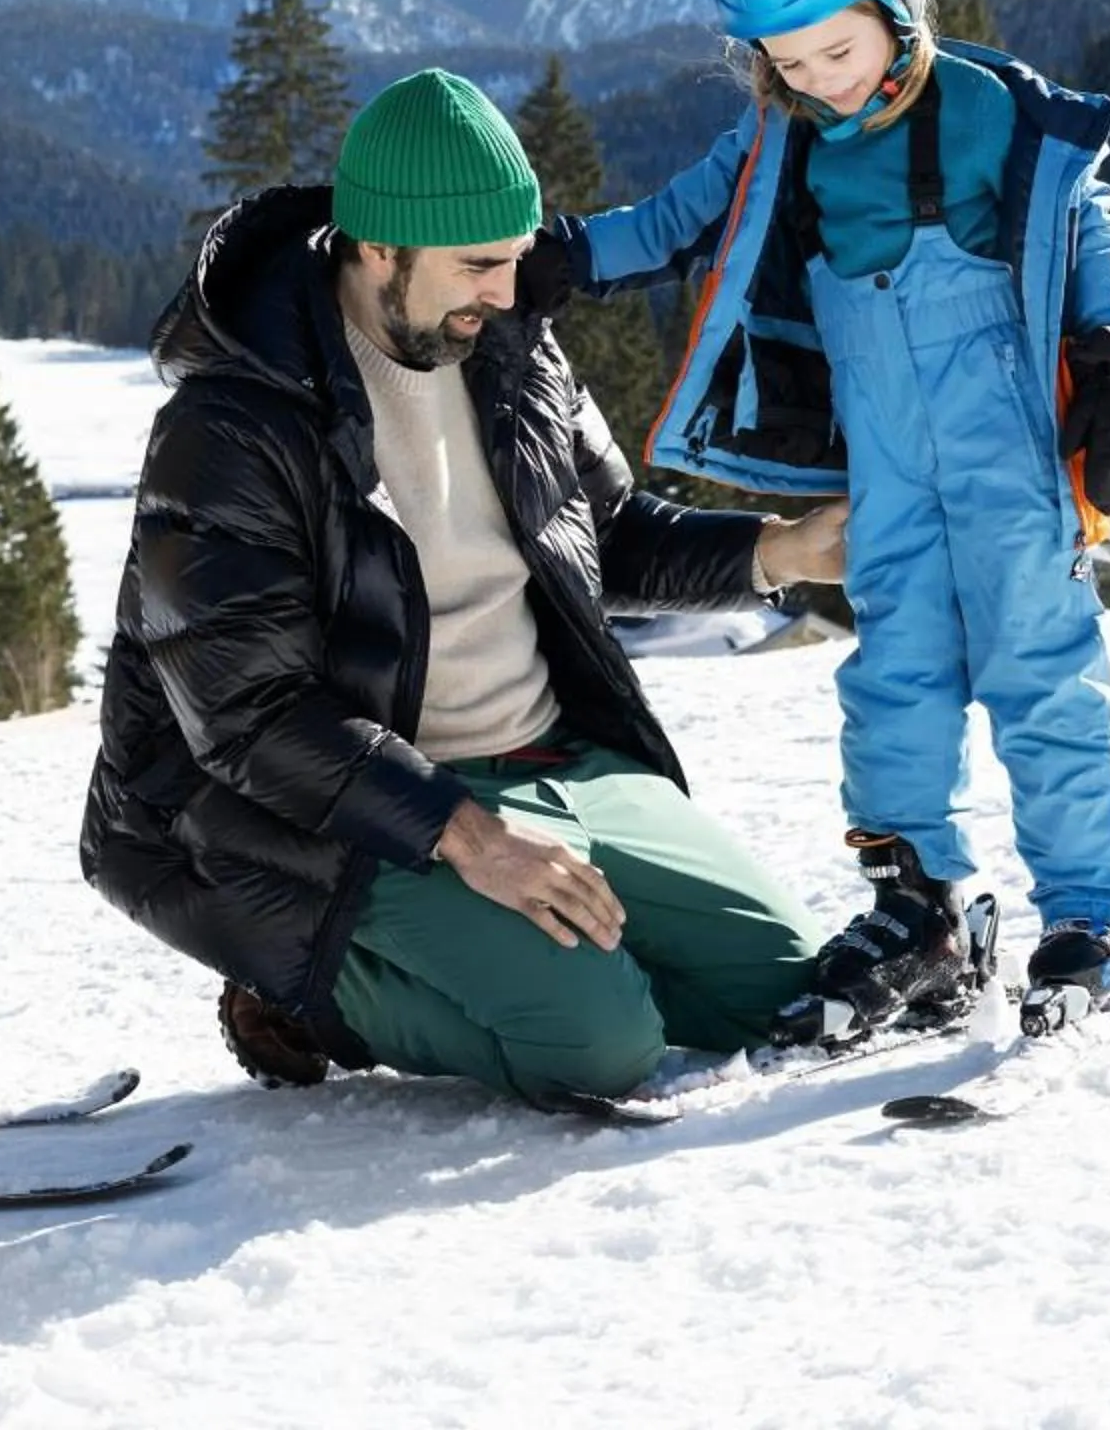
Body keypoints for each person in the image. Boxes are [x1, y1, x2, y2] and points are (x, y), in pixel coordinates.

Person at [80, 68, 849, 1108]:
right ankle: (311, 997)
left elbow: (601, 534)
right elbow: (249, 715)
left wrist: (783, 551)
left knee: (789, 987)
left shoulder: (511, 345)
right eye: (479, 265)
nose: (506, 291)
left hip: (551, 757)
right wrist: (468, 835)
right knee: (605, 1045)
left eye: (516, 260)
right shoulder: (232, 427)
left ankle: (533, 958)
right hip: (344, 816)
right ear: (379, 248)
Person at [514, 0, 1110, 1041]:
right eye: (787, 60)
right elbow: (677, 220)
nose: (816, 79)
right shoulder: (783, 137)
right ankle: (922, 908)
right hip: (887, 463)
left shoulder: (986, 107)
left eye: (837, 49)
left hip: (1008, 448)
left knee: (1040, 670)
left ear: (900, 1)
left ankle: (1097, 909)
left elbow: (1085, 215)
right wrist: (569, 254)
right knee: (893, 680)